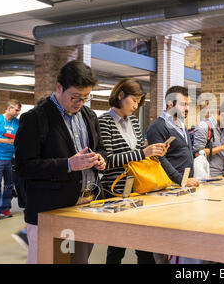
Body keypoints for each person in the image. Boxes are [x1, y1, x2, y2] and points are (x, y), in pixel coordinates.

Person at [14, 60, 107, 264]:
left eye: (85, 97)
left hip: (86, 204)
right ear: (59, 88)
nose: (80, 102)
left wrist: (100, 159)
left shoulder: (89, 115)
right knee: (51, 259)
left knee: (79, 260)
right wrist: (68, 165)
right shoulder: (36, 118)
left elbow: (101, 148)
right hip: (51, 209)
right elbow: (23, 166)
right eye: (75, 97)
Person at [98, 78, 168, 264]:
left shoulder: (135, 122)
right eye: (134, 100)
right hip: (115, 189)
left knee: (143, 243)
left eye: (139, 102)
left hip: (138, 186)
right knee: (117, 245)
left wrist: (151, 152)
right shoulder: (104, 122)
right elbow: (108, 160)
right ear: (120, 95)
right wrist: (142, 152)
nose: (136, 106)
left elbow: (138, 155)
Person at [146, 85, 199, 187]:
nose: (187, 108)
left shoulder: (181, 124)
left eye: (188, 105)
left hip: (185, 183)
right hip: (170, 185)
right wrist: (181, 180)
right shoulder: (157, 127)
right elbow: (160, 159)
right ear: (170, 104)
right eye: (183, 104)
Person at [192, 100, 224, 177]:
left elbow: (218, 153)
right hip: (206, 177)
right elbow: (197, 153)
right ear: (222, 115)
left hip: (220, 175)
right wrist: (222, 147)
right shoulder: (204, 127)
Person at [0, 100, 21, 222]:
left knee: (9, 185)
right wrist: (6, 141)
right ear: (9, 108)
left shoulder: (17, 123)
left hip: (11, 158)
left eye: (19, 110)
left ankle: (5, 208)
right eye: (16, 110)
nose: (18, 112)